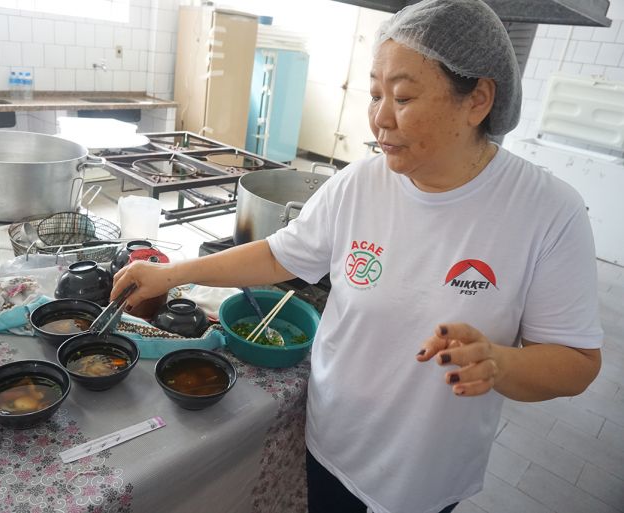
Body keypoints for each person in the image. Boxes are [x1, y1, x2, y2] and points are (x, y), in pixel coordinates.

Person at [111, 0, 603, 511]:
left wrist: (499, 363)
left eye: (404, 96)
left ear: (477, 99)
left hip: (427, 470)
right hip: (332, 440)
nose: (379, 119)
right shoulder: (360, 183)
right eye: (374, 95)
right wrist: (168, 276)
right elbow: (280, 257)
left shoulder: (547, 211)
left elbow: (577, 363)